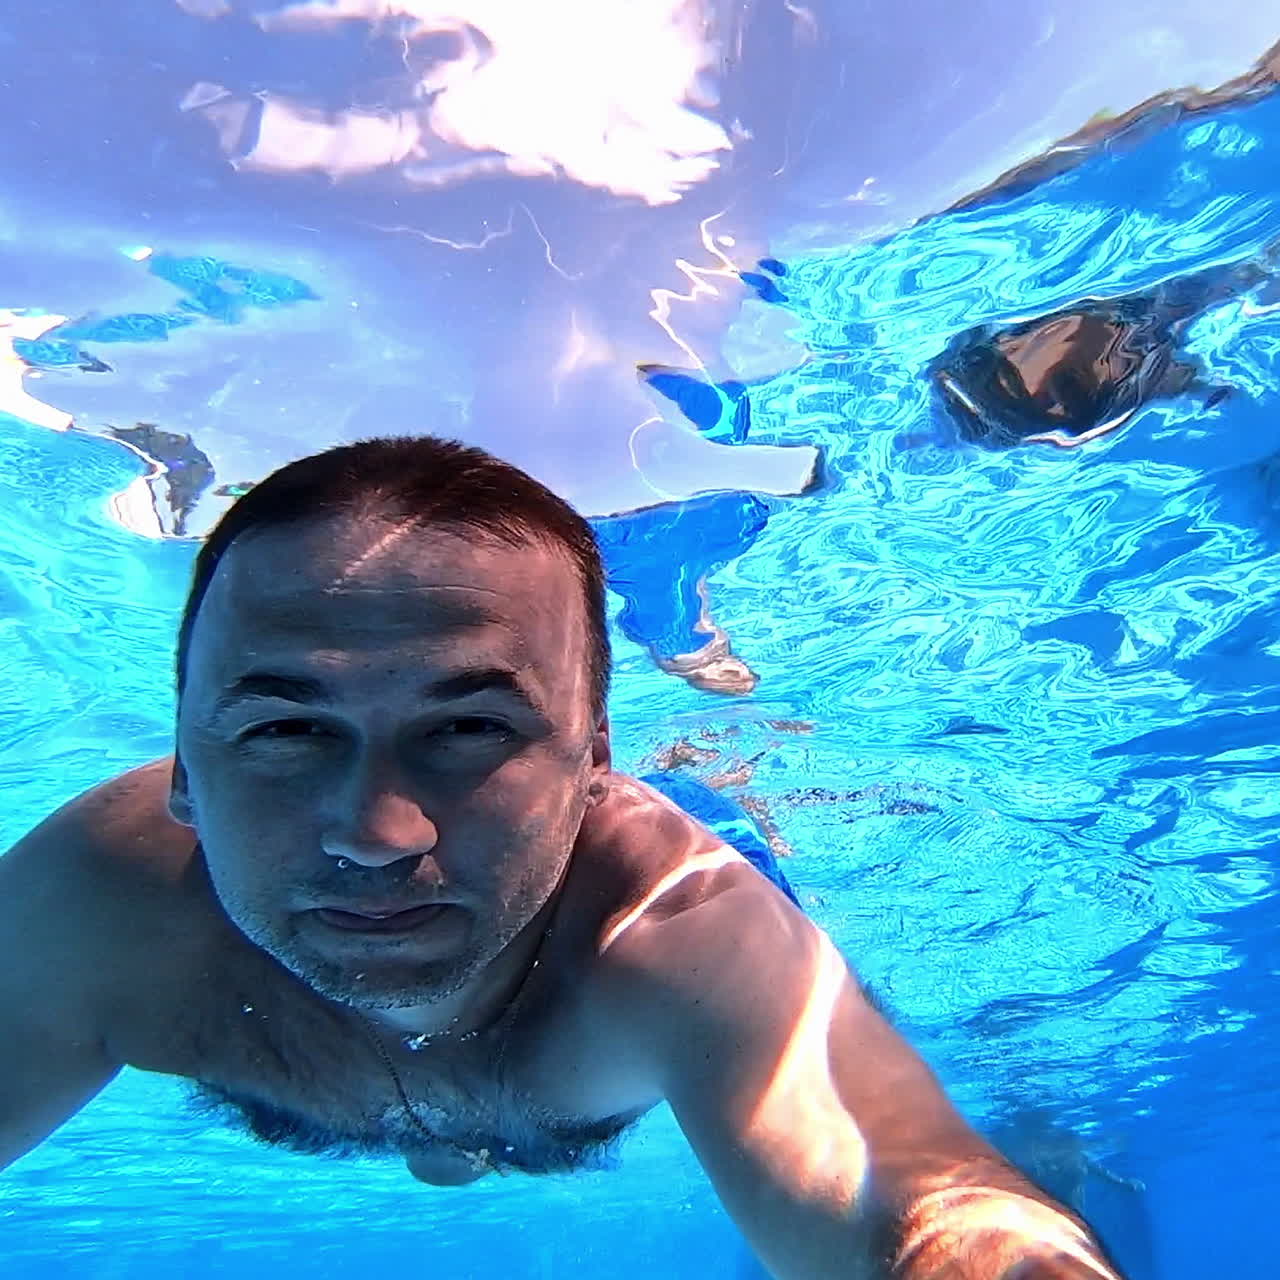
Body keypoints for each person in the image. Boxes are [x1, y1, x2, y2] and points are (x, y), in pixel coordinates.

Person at [0, 436, 1124, 1279]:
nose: (376, 832)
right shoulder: (97, 907)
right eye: (286, 730)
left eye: (469, 727)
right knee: (454, 1137)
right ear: (185, 769)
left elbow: (909, 1192)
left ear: (592, 760)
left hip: (626, 920)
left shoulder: (679, 930)